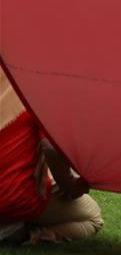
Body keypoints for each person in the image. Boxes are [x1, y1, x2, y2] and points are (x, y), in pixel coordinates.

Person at [0, 69, 103, 245]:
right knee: (92, 216)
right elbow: (51, 148)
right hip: (12, 197)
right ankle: (29, 234)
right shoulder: (31, 87)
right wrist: (70, 185)